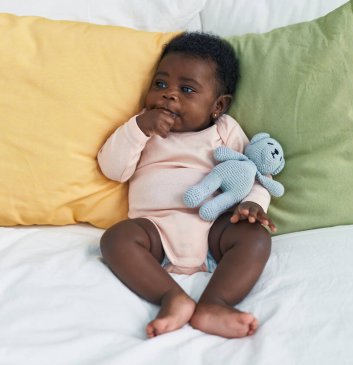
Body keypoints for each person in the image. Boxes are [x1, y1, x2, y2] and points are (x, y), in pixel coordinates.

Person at [97, 32, 276, 339]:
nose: (169, 95)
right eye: (161, 84)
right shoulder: (142, 126)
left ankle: (214, 304)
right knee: (115, 239)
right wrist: (139, 129)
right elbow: (113, 170)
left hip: (215, 229)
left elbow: (256, 173)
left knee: (255, 237)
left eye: (187, 89)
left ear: (218, 105)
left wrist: (254, 204)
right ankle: (171, 297)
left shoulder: (225, 130)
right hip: (155, 230)